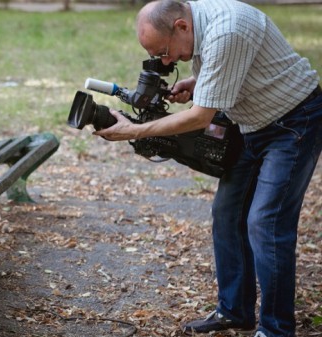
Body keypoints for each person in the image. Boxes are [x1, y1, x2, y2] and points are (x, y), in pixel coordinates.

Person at [94, 0, 322, 336]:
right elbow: (224, 67)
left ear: (181, 27)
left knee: (265, 222)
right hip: (250, 123)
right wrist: (196, 81)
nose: (165, 61)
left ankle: (275, 329)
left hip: (293, 123)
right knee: (227, 213)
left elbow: (201, 117)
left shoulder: (226, 30)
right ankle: (235, 311)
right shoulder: (195, 23)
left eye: (165, 51)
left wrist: (134, 130)